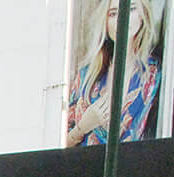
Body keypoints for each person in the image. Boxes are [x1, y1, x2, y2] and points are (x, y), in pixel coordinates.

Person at [65, 0, 163, 147]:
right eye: (112, 14)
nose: (121, 19)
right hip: (83, 160)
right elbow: (57, 145)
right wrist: (82, 127)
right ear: (105, 22)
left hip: (131, 160)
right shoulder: (86, 76)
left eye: (131, 9)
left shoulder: (152, 74)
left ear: (142, 15)